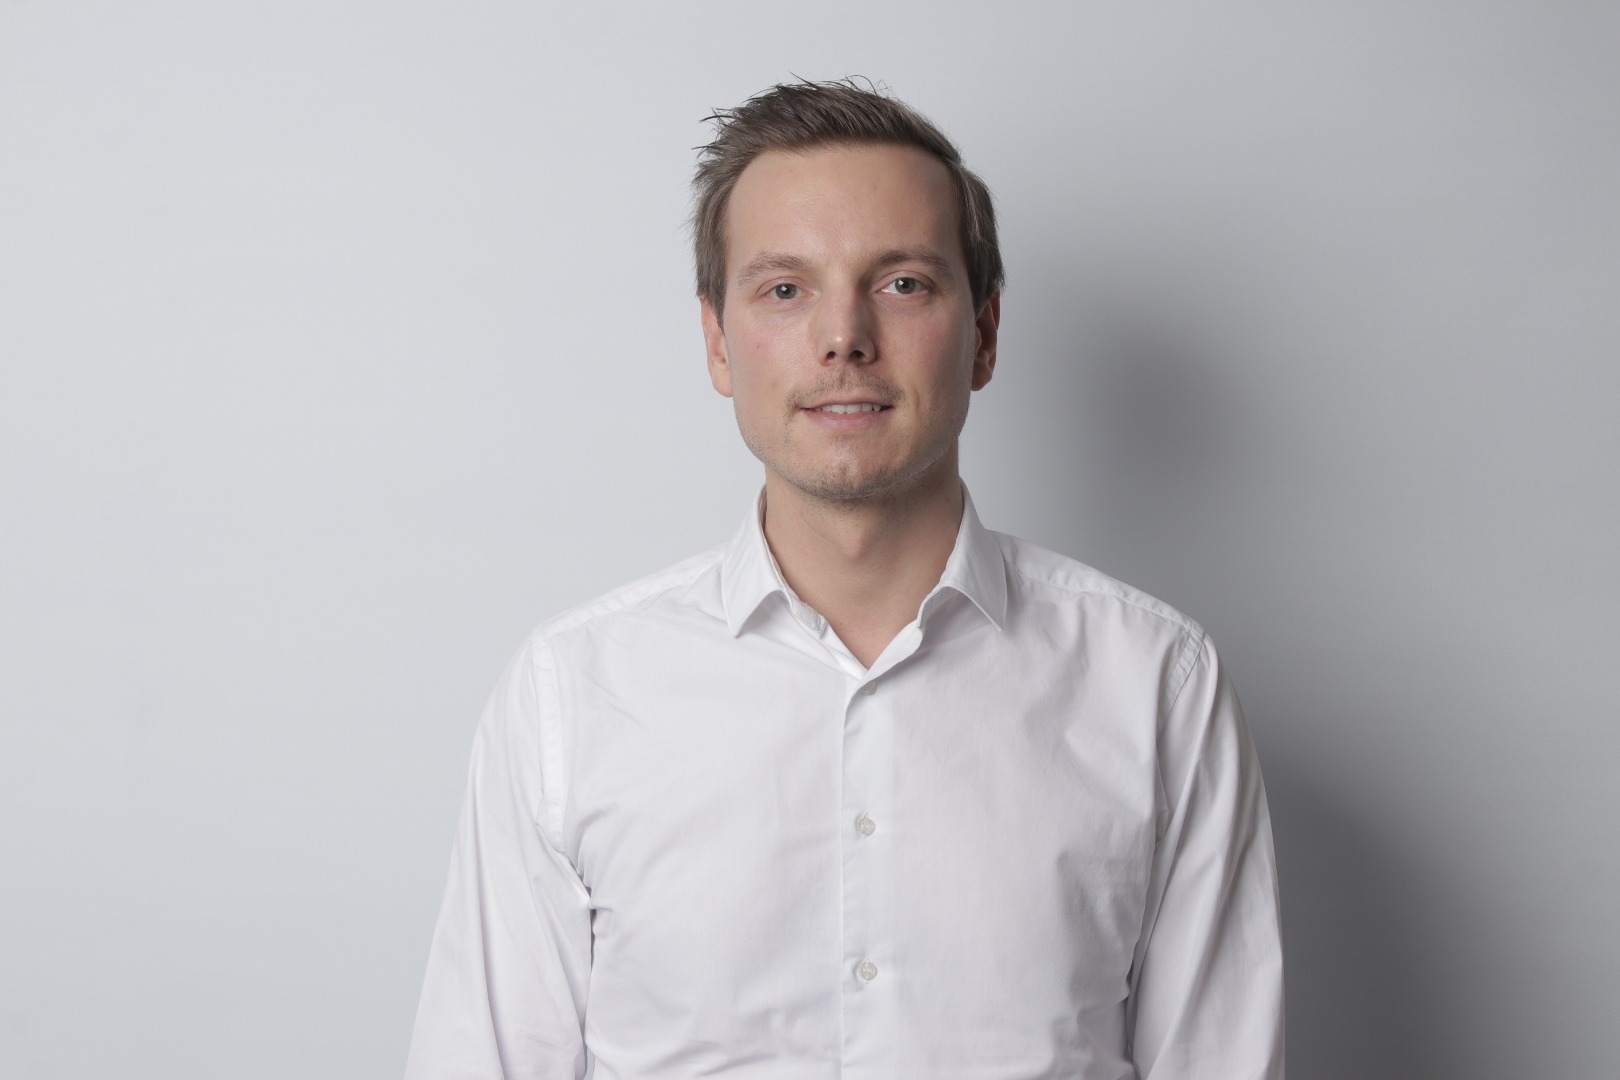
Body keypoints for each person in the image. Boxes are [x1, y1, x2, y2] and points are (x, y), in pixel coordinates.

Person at [404, 79, 1284, 1080]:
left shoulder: (1157, 686)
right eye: (785, 290)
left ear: (985, 333)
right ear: (717, 342)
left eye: (902, 283)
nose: (843, 338)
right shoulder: (571, 698)